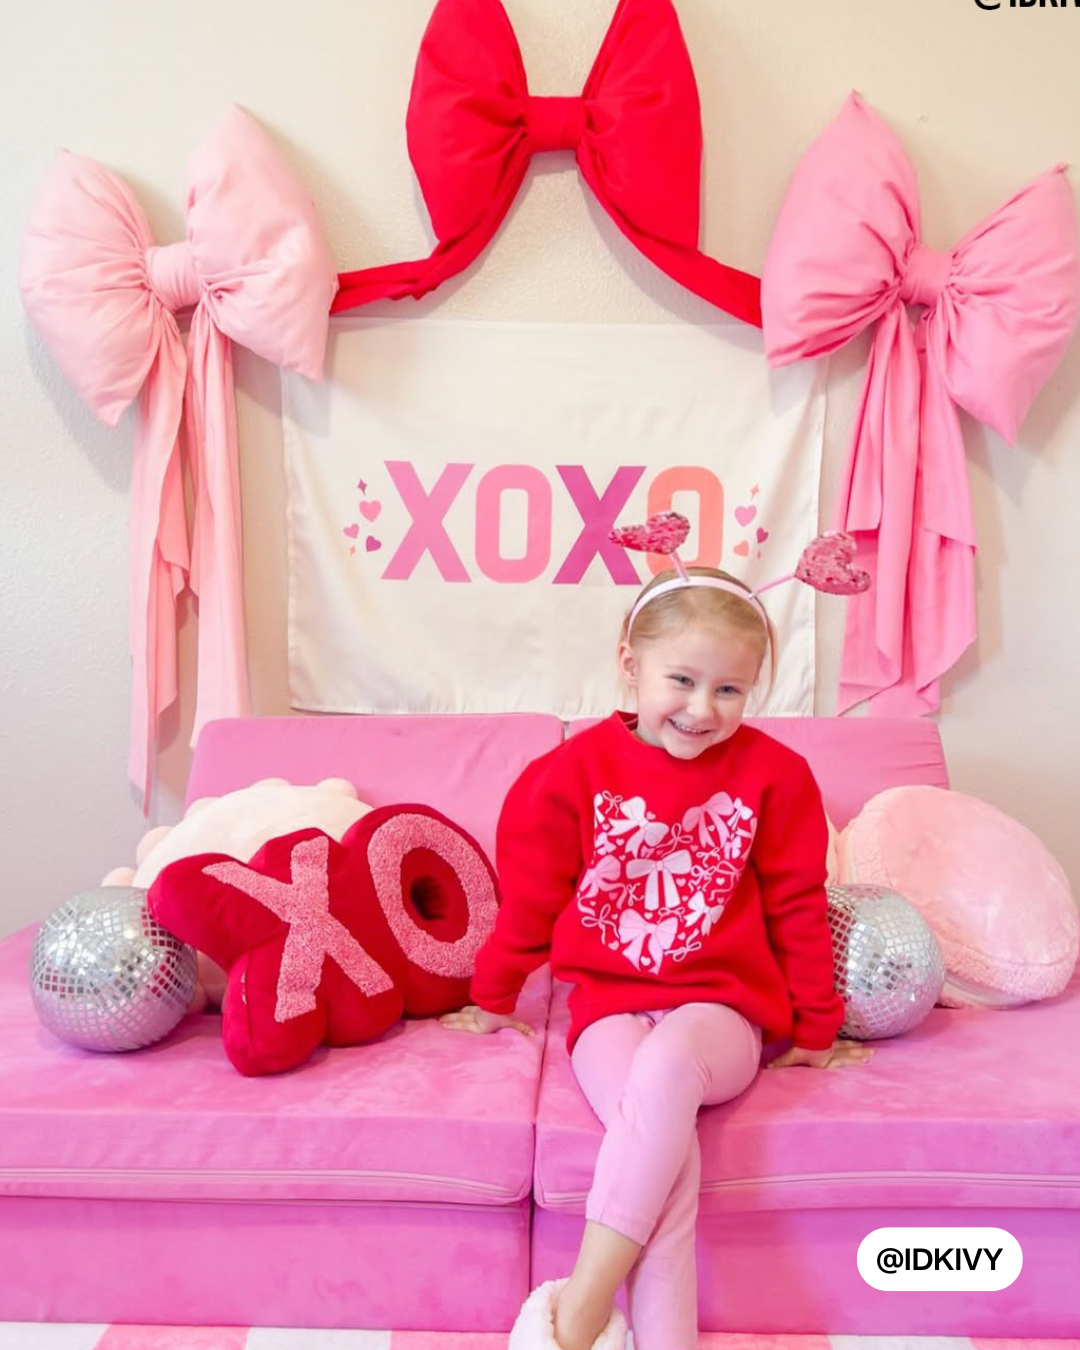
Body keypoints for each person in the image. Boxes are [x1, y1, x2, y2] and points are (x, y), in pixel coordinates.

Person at [440, 560, 874, 1350]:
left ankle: (579, 1313)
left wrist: (816, 1028)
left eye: (730, 689)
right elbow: (531, 903)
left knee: (668, 1070)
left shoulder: (776, 777)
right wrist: (494, 996)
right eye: (682, 680)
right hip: (608, 1009)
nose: (702, 709)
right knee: (661, 1151)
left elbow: (797, 909)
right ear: (629, 664)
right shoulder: (566, 776)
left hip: (723, 1013)